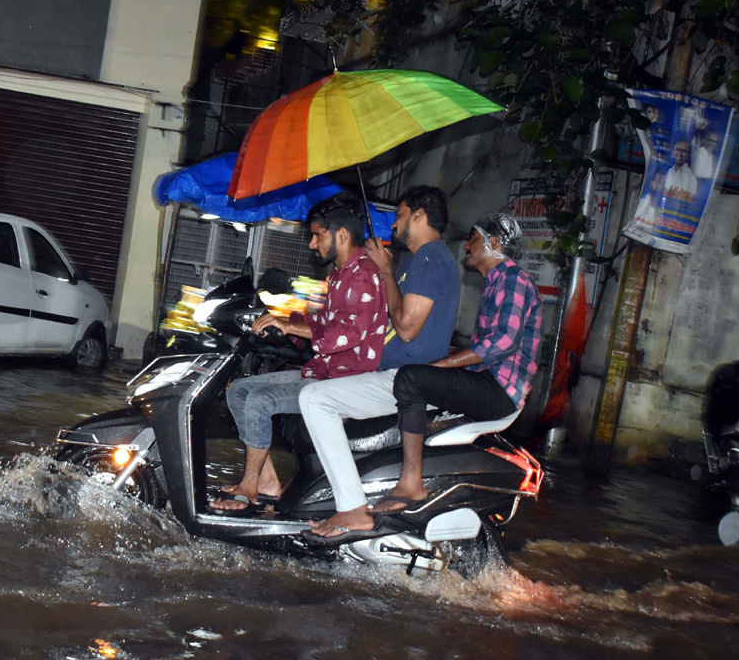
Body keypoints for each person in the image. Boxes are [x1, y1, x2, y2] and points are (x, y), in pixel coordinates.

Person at [207, 192, 387, 514]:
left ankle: (248, 487)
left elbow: (349, 332)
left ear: (341, 235)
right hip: (322, 371)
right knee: (240, 390)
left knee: (259, 401)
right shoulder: (341, 276)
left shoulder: (362, 274)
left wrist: (292, 329)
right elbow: (323, 321)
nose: (312, 244)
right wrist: (281, 319)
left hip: (344, 381)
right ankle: (265, 482)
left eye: (318, 235)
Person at [299, 186, 461, 538]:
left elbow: (405, 328)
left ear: (419, 216)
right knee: (311, 391)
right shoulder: (420, 260)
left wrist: (385, 270)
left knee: (314, 399)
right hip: (392, 373)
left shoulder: (430, 259)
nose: (393, 226)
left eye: (400, 216)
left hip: (404, 378)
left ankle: (352, 508)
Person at [371, 212, 543, 516]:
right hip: (489, 382)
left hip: (498, 390)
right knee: (419, 374)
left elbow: (503, 342)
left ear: (494, 243)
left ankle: (411, 482)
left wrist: (443, 365)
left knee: (412, 379)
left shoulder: (512, 278)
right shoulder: (496, 281)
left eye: (473, 238)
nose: (467, 246)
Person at [663, 139, 698, 203]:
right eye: (678, 149)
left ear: (688, 155)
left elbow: (690, 200)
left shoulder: (691, 177)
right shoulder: (669, 172)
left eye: (684, 151)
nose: (680, 154)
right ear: (673, 152)